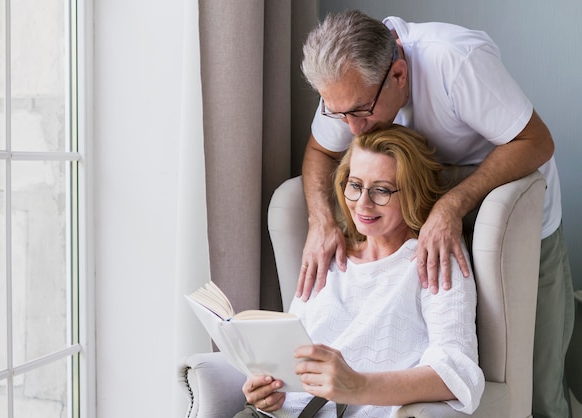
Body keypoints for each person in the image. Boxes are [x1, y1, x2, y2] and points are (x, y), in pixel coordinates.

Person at [297, 10, 574, 418]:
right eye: (340, 114)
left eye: (360, 111)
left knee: (539, 383)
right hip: (409, 205)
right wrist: (320, 219)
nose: (354, 130)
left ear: (399, 75)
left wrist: (451, 204)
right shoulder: (350, 89)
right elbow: (320, 151)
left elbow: (536, 141)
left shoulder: (457, 62)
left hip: (506, 203)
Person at [233, 126, 485, 418]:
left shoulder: (432, 258)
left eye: (381, 190)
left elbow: (457, 372)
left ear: (413, 192)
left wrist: (356, 385)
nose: (362, 203)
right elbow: (291, 357)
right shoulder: (326, 254)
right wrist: (266, 390)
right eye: (355, 185)